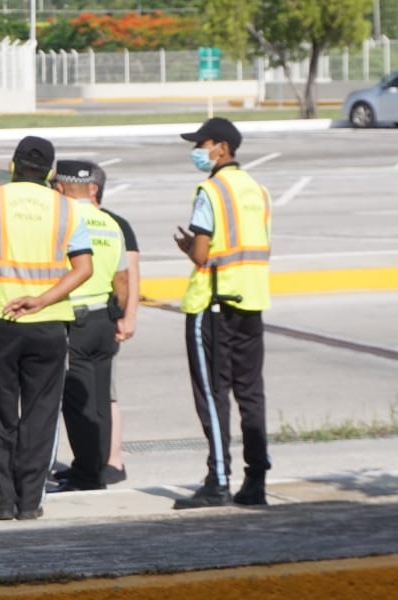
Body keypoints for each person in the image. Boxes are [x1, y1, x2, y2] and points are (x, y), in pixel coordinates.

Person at [0, 136, 92, 521]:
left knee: (0, 411)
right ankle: (30, 501)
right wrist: (43, 300)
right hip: (48, 323)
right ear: (51, 173)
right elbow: (84, 268)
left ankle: (1, 501)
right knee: (41, 413)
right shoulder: (66, 208)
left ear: (12, 165)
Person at [172, 117, 272, 509]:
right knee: (251, 392)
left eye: (203, 142)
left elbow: (201, 253)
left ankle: (218, 478)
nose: (197, 150)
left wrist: (187, 249)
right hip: (251, 301)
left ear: (222, 148)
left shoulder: (211, 190)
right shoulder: (258, 191)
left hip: (212, 304)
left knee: (213, 395)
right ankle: (256, 478)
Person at [48, 160, 128, 493]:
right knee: (99, 400)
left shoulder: (64, 221)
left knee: (78, 402)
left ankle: (86, 474)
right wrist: (118, 315)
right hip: (104, 320)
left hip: (75, 321)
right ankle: (94, 468)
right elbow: (122, 279)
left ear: (62, 188)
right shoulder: (109, 222)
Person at [102, 188, 140, 485]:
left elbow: (130, 274)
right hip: (86, 319)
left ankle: (113, 461)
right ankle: (92, 459)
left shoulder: (116, 224)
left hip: (102, 318)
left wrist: (128, 316)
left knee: (107, 393)